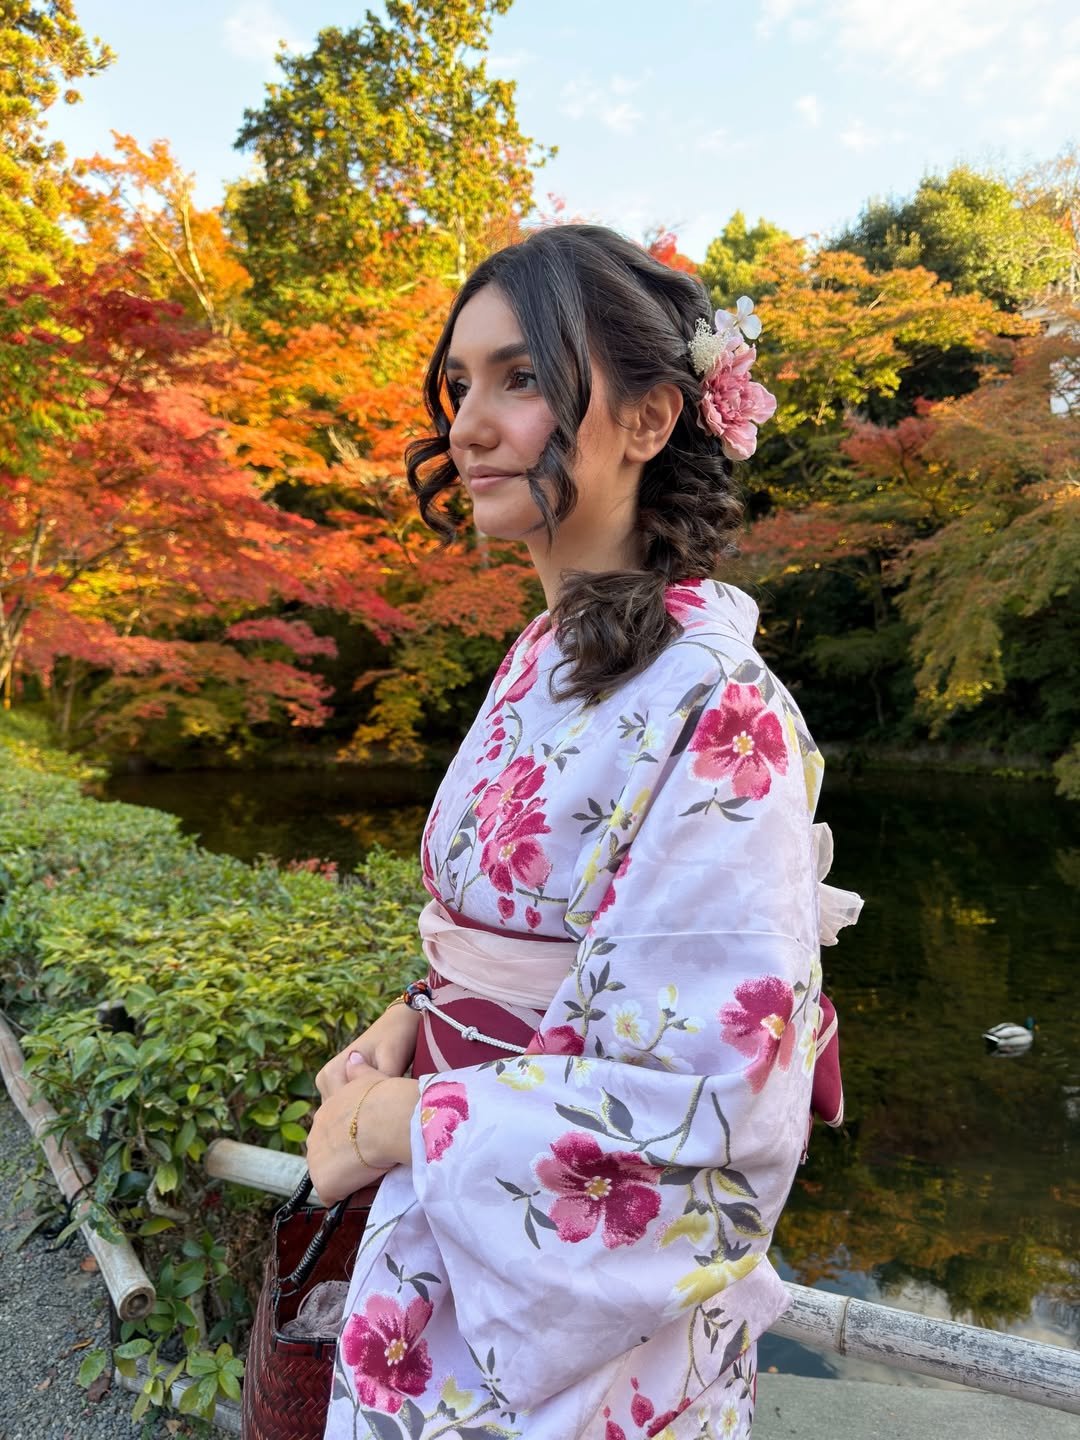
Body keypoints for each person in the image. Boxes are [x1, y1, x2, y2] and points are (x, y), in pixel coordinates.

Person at [306, 224, 861, 1440]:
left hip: (587, 1337)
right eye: (460, 384)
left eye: (521, 379)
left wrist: (405, 1122)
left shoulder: (719, 703)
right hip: (450, 1227)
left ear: (652, 419)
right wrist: (412, 1018)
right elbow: (501, 941)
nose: (468, 426)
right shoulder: (538, 660)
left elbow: (715, 1101)